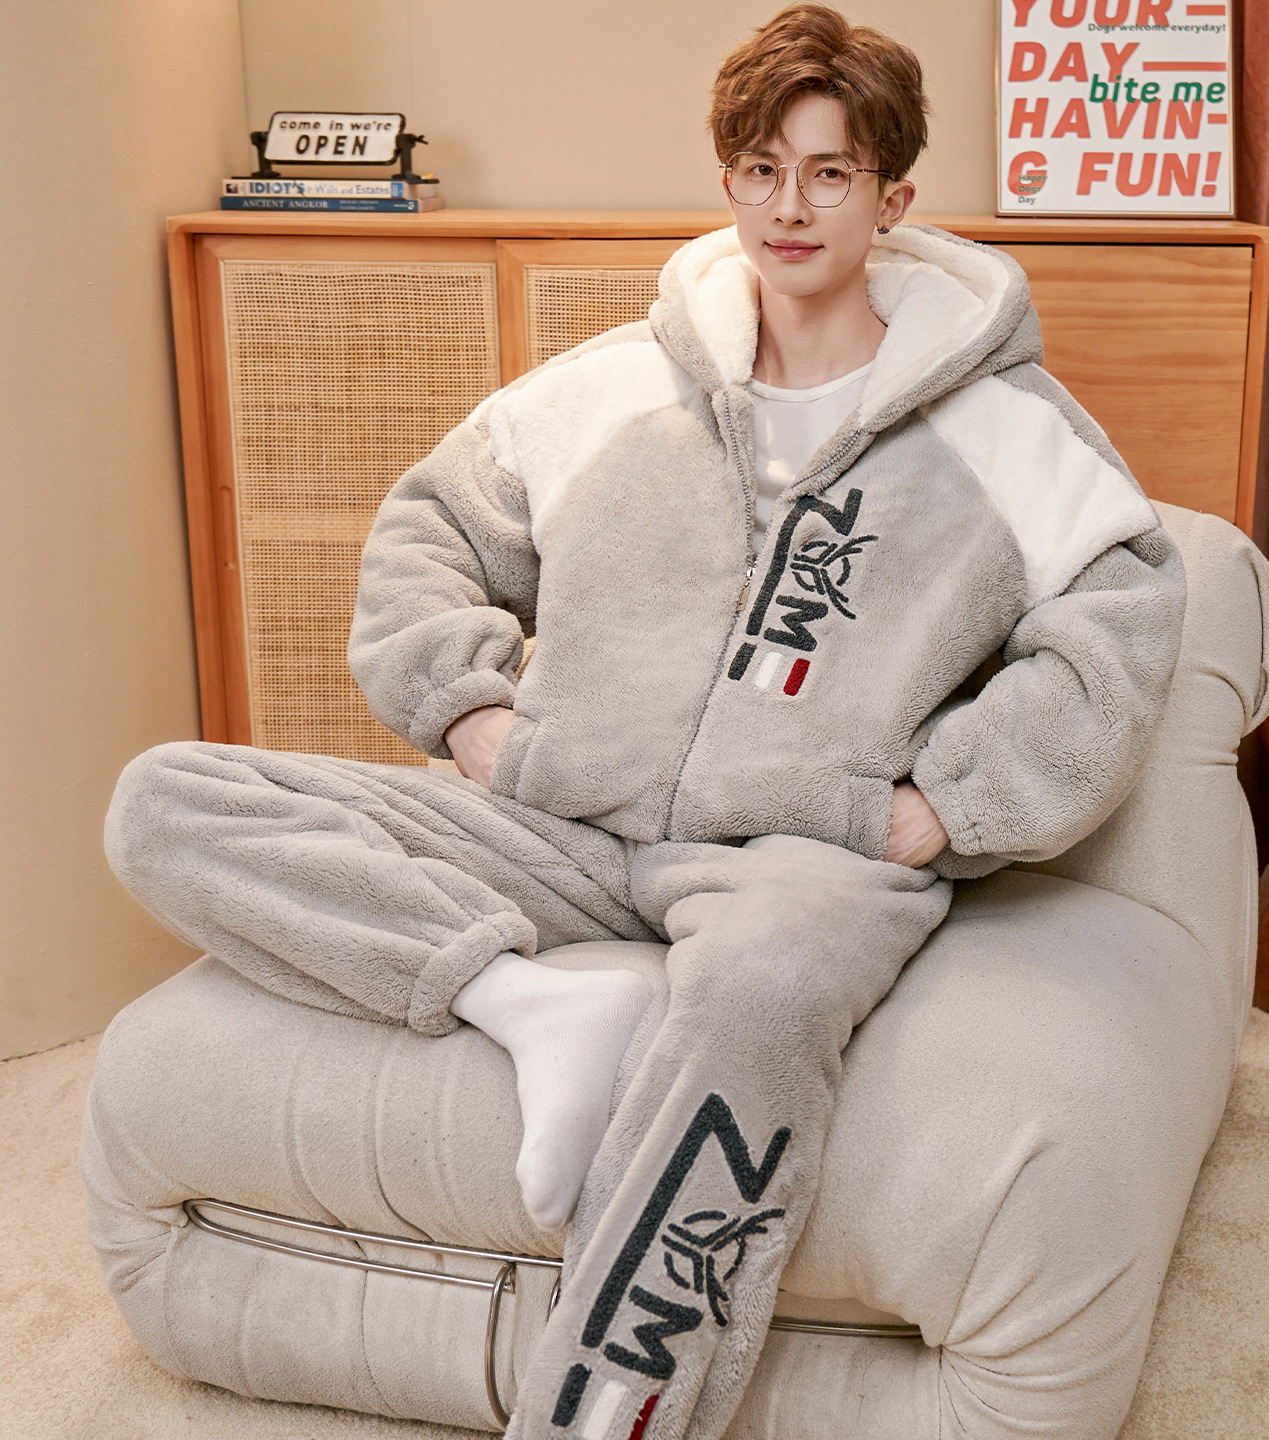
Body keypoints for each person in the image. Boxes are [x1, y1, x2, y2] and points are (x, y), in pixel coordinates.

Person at [105, 7, 1185, 1437]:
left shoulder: (1006, 429)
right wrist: (475, 718)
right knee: (164, 798)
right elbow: (429, 529)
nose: (790, 207)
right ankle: (527, 998)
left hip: (802, 861)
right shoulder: (614, 385)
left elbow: (1121, 621)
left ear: (892, 198)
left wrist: (950, 808)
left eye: (831, 173)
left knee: (759, 997)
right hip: (563, 823)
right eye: (761, 169)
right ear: (727, 178)